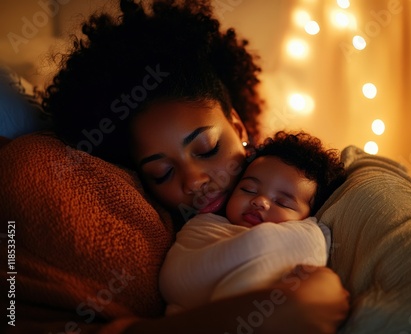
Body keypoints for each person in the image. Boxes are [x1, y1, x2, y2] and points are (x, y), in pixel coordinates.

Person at [1, 0, 350, 333]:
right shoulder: (130, 213)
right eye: (162, 173)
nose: (195, 181)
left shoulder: (289, 172)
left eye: (207, 148)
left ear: (239, 127)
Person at [159, 131, 347, 315]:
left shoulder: (307, 235)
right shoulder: (204, 225)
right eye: (248, 189)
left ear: (307, 217)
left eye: (281, 202)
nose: (260, 201)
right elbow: (177, 277)